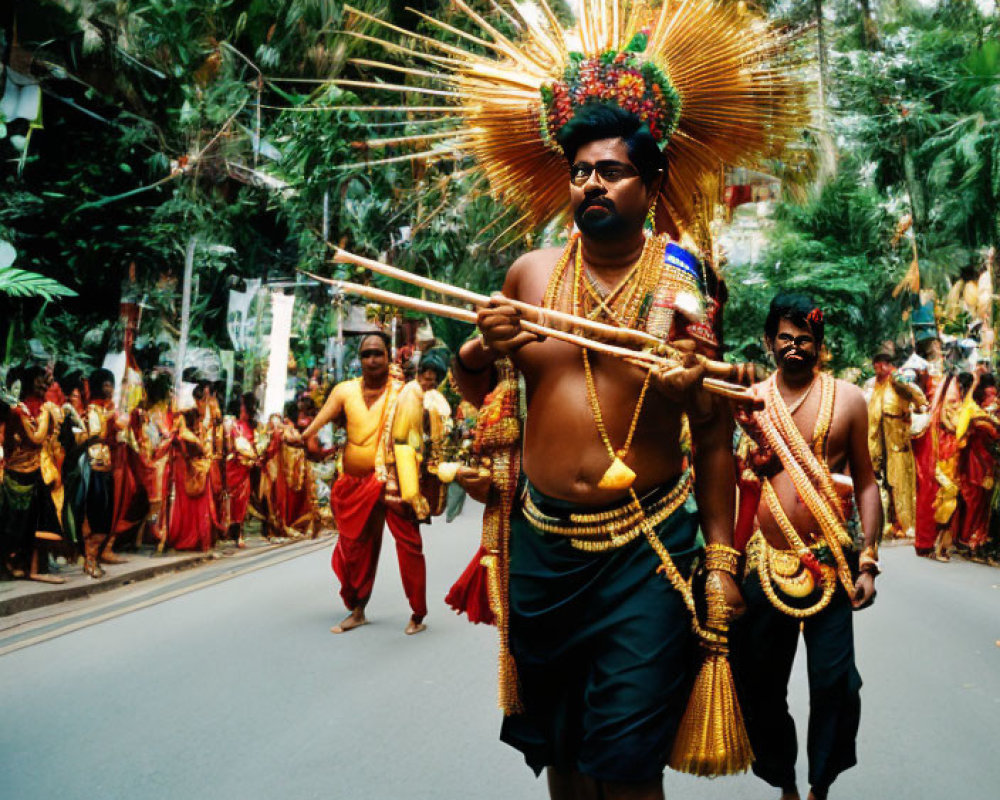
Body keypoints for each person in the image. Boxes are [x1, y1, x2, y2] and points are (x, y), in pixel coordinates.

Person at [452, 104, 742, 798]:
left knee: (627, 756)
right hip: (546, 550)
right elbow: (475, 386)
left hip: (648, 551)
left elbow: (711, 431)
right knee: (564, 751)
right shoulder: (531, 274)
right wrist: (477, 345)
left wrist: (723, 559)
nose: (592, 185)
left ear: (652, 182)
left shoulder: (682, 284)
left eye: (611, 171)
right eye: (580, 172)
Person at [731, 293, 881, 800]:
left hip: (833, 562)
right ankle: (785, 783)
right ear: (770, 341)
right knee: (759, 684)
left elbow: (865, 483)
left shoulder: (850, 399)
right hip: (763, 563)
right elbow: (733, 483)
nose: (796, 346)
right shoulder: (749, 400)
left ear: (819, 343)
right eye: (786, 337)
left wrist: (869, 560)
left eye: (806, 338)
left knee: (836, 683)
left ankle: (820, 785)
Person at [300, 331, 429, 635]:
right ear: (359, 359)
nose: (371, 360)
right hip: (355, 483)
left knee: (409, 545)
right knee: (356, 549)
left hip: (393, 480)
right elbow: (317, 423)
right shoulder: (344, 391)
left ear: (388, 356)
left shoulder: (403, 393)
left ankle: (417, 614)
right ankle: (358, 610)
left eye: (377, 354)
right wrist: (302, 437)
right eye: (366, 355)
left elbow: (416, 434)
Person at [0, 365, 66, 582]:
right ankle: (11, 563)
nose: (44, 385)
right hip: (16, 475)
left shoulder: (43, 409)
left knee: (41, 521)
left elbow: (48, 439)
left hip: (37, 471)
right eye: (39, 381)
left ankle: (34, 567)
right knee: (13, 525)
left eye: (45, 381)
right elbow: (36, 438)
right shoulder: (20, 410)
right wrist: (46, 414)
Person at [867, 342, 926, 539]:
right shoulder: (875, 384)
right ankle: (889, 524)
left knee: (900, 483)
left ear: (885, 365)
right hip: (879, 441)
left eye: (878, 366)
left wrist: (921, 410)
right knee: (884, 484)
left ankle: (907, 525)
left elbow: (917, 394)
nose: (877, 370)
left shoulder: (897, 379)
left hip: (897, 439)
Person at [955, 374, 1000, 559]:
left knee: (982, 505)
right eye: (990, 395)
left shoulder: (983, 415)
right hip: (977, 465)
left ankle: (977, 540)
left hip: (985, 464)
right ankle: (967, 540)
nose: (994, 399)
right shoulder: (978, 416)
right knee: (974, 503)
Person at [224, 392, 261, 548]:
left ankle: (238, 532)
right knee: (233, 499)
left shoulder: (250, 426)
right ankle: (232, 531)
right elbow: (230, 447)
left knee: (241, 501)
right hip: (234, 466)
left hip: (245, 467)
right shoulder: (234, 425)